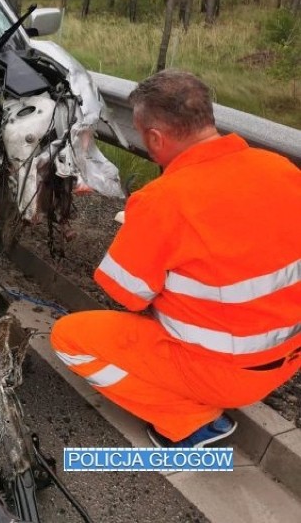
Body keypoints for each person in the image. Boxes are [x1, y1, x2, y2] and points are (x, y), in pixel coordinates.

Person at [50, 69, 301, 448]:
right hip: (287, 359)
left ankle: (192, 424)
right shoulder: (283, 170)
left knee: (69, 338)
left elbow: (127, 296)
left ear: (153, 137)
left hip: (222, 374)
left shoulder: (163, 200)